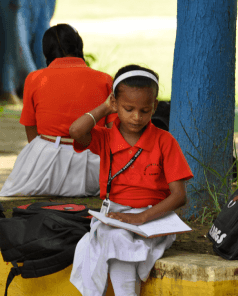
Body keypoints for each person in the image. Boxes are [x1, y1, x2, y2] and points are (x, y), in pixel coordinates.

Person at [69, 64, 193, 296]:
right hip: (115, 215)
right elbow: (76, 131)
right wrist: (104, 108)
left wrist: (141, 217)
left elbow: (179, 196)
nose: (136, 117)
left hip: (154, 218)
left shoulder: (164, 141)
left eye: (145, 110)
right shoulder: (106, 138)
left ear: (155, 106)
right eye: (128, 109)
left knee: (114, 242)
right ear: (115, 104)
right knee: (114, 238)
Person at [0, 24, 116, 197]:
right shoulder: (105, 79)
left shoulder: (35, 79)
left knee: (11, 193)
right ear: (79, 46)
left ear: (46, 52)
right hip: (92, 167)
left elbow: (31, 130)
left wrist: (39, 157)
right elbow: (113, 131)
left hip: (44, 169)